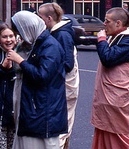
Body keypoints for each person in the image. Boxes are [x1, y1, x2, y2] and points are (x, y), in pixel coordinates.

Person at [7, 10, 67, 149]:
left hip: (43, 111)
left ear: (28, 28)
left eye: (20, 32)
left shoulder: (50, 46)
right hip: (35, 108)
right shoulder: (36, 44)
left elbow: (42, 76)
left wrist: (21, 61)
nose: (20, 37)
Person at [90, 7, 129, 149]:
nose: (104, 24)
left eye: (107, 21)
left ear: (118, 23)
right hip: (109, 99)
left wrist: (101, 40)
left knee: (121, 135)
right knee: (104, 132)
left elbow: (108, 58)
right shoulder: (118, 37)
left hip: (117, 99)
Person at [38, 3, 80, 149]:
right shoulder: (58, 32)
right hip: (62, 86)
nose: (39, 20)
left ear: (49, 18)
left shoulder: (62, 34)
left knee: (63, 123)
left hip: (65, 87)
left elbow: (67, 64)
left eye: (40, 17)